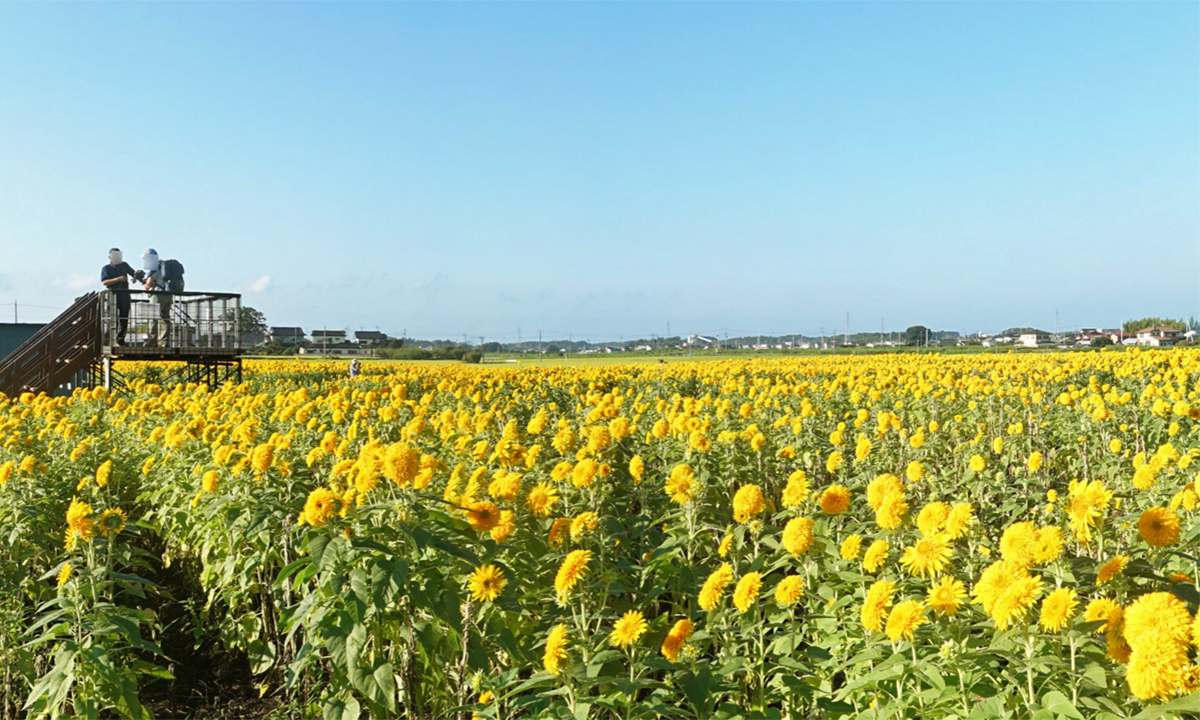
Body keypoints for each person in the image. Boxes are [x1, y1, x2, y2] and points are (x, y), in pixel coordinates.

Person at [99, 248, 140, 346]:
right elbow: (104, 282)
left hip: (125, 294)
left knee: (124, 317)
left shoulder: (124, 265)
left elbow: (133, 274)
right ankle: (110, 339)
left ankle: (120, 340)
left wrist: (135, 278)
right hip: (113, 294)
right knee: (112, 318)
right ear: (110, 257)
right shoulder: (106, 268)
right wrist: (118, 279)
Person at [141, 248, 177, 347]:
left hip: (157, 295)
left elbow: (149, 282)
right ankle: (164, 341)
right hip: (168, 295)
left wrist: (146, 287)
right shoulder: (164, 265)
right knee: (165, 318)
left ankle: (151, 340)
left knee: (152, 318)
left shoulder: (154, 267)